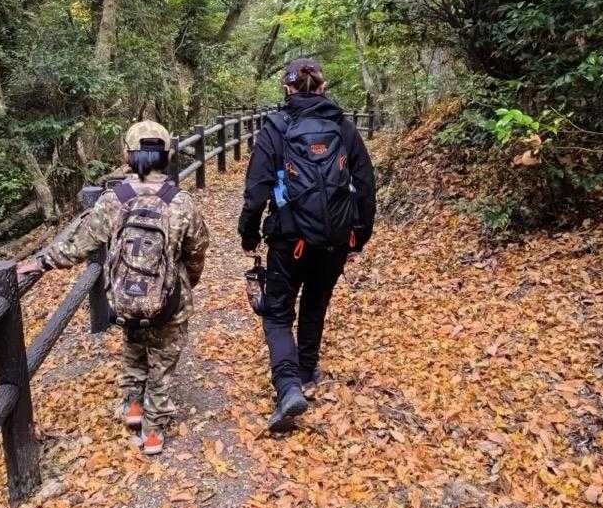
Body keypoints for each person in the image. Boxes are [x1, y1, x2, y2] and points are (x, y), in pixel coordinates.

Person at [19, 121, 209, 455]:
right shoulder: (181, 202)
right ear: (167, 156)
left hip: (126, 296)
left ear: (127, 155)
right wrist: (187, 283)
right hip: (168, 300)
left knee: (134, 343)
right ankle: (153, 432)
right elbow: (197, 250)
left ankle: (132, 406)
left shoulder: (114, 199)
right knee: (163, 362)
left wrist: (41, 261)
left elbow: (80, 241)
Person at [239, 59, 376, 432]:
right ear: (323, 87)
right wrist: (359, 236)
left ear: (287, 89)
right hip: (335, 238)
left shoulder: (276, 127)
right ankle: (307, 372)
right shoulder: (342, 126)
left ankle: (288, 387)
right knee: (316, 301)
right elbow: (365, 185)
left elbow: (256, 190)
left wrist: (249, 235)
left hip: (289, 238)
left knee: (277, 312)